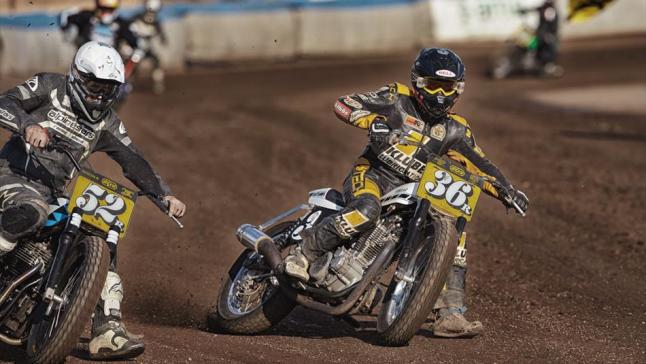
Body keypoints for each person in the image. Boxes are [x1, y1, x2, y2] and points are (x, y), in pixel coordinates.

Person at [284, 48, 529, 338]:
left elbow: (481, 164)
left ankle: (450, 312)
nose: (440, 94)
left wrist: (506, 189)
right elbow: (344, 104)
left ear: (458, 89)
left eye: (447, 87)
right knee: (366, 210)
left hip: (417, 194)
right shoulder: (395, 98)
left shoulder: (456, 129)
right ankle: (303, 254)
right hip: (373, 176)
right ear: (417, 83)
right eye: (433, 85)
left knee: (455, 232)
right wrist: (370, 121)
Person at [0, 41, 186, 359]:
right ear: (76, 76)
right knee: (33, 211)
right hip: (12, 175)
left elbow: (133, 159)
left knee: (100, 231)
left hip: (54, 191)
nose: (99, 96)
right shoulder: (49, 86)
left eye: (107, 89)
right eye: (94, 86)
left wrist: (163, 194)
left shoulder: (107, 122)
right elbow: (5, 101)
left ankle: (107, 329)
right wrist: (28, 124)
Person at [124, 0, 168, 94]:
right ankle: (127, 84)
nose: (151, 15)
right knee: (132, 64)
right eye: (150, 11)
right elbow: (127, 29)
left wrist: (162, 39)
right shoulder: (136, 18)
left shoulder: (156, 22)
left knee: (156, 62)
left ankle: (158, 84)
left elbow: (161, 35)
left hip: (146, 48)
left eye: (153, 12)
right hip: (135, 47)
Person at [59, 0, 137, 50]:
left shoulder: (120, 23)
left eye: (110, 10)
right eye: (103, 9)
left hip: (110, 60)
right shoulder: (87, 17)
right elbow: (67, 18)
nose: (106, 13)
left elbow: (133, 41)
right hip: (85, 56)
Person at [520, 0, 561, 75]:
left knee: (544, 48)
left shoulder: (549, 10)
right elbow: (536, 9)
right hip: (543, 34)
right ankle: (533, 61)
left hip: (547, 35)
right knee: (532, 45)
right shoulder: (545, 8)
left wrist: (545, 34)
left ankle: (547, 65)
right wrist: (526, 11)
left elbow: (550, 25)